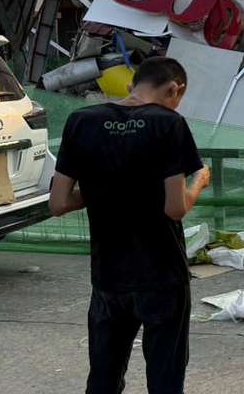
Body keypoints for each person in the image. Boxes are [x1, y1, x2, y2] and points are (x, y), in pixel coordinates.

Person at [48, 56, 211, 394]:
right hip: (162, 275)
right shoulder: (169, 124)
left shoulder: (81, 121)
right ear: (174, 89)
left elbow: (59, 203)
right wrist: (199, 182)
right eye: (178, 96)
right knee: (165, 378)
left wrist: (102, 187)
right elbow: (175, 208)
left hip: (108, 275)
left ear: (130, 86)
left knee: (104, 379)